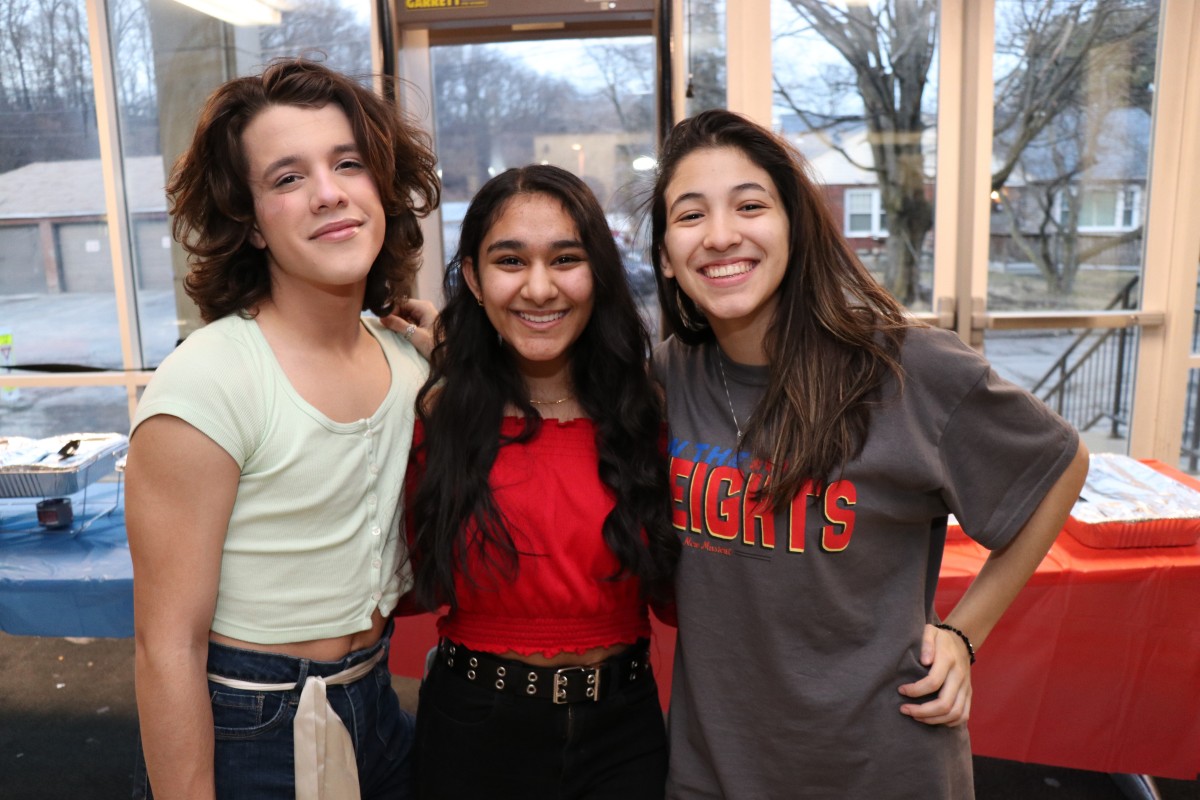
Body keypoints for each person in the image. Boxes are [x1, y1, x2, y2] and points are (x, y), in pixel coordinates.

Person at [646, 109, 1089, 799]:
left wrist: (965, 636)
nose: (722, 235)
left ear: (795, 225)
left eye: (750, 205)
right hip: (716, 769)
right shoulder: (668, 375)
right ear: (667, 259)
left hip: (882, 766)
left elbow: (1061, 465)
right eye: (690, 215)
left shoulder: (908, 370)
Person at [124, 58, 439, 799]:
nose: (330, 194)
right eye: (288, 178)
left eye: (349, 164)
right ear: (252, 225)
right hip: (244, 726)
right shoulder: (211, 380)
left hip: (376, 707)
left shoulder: (411, 363)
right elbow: (165, 647)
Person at [401, 164, 680, 799]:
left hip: (624, 730)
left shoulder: (649, 414)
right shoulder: (436, 418)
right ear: (473, 277)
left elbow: (683, 594)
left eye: (565, 259)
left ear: (598, 274)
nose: (539, 288)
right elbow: (403, 586)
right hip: (472, 730)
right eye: (509, 261)